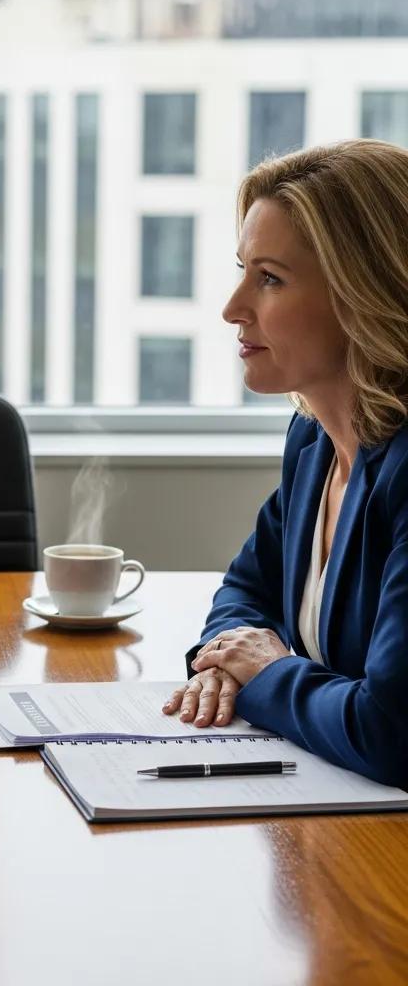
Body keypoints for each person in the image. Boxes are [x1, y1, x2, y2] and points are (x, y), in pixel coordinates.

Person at [163, 138, 408, 787]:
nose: (232, 307)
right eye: (243, 269)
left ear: (366, 290)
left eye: (269, 278)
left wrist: (266, 676)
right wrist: (224, 663)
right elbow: (247, 589)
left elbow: (392, 732)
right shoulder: (313, 441)